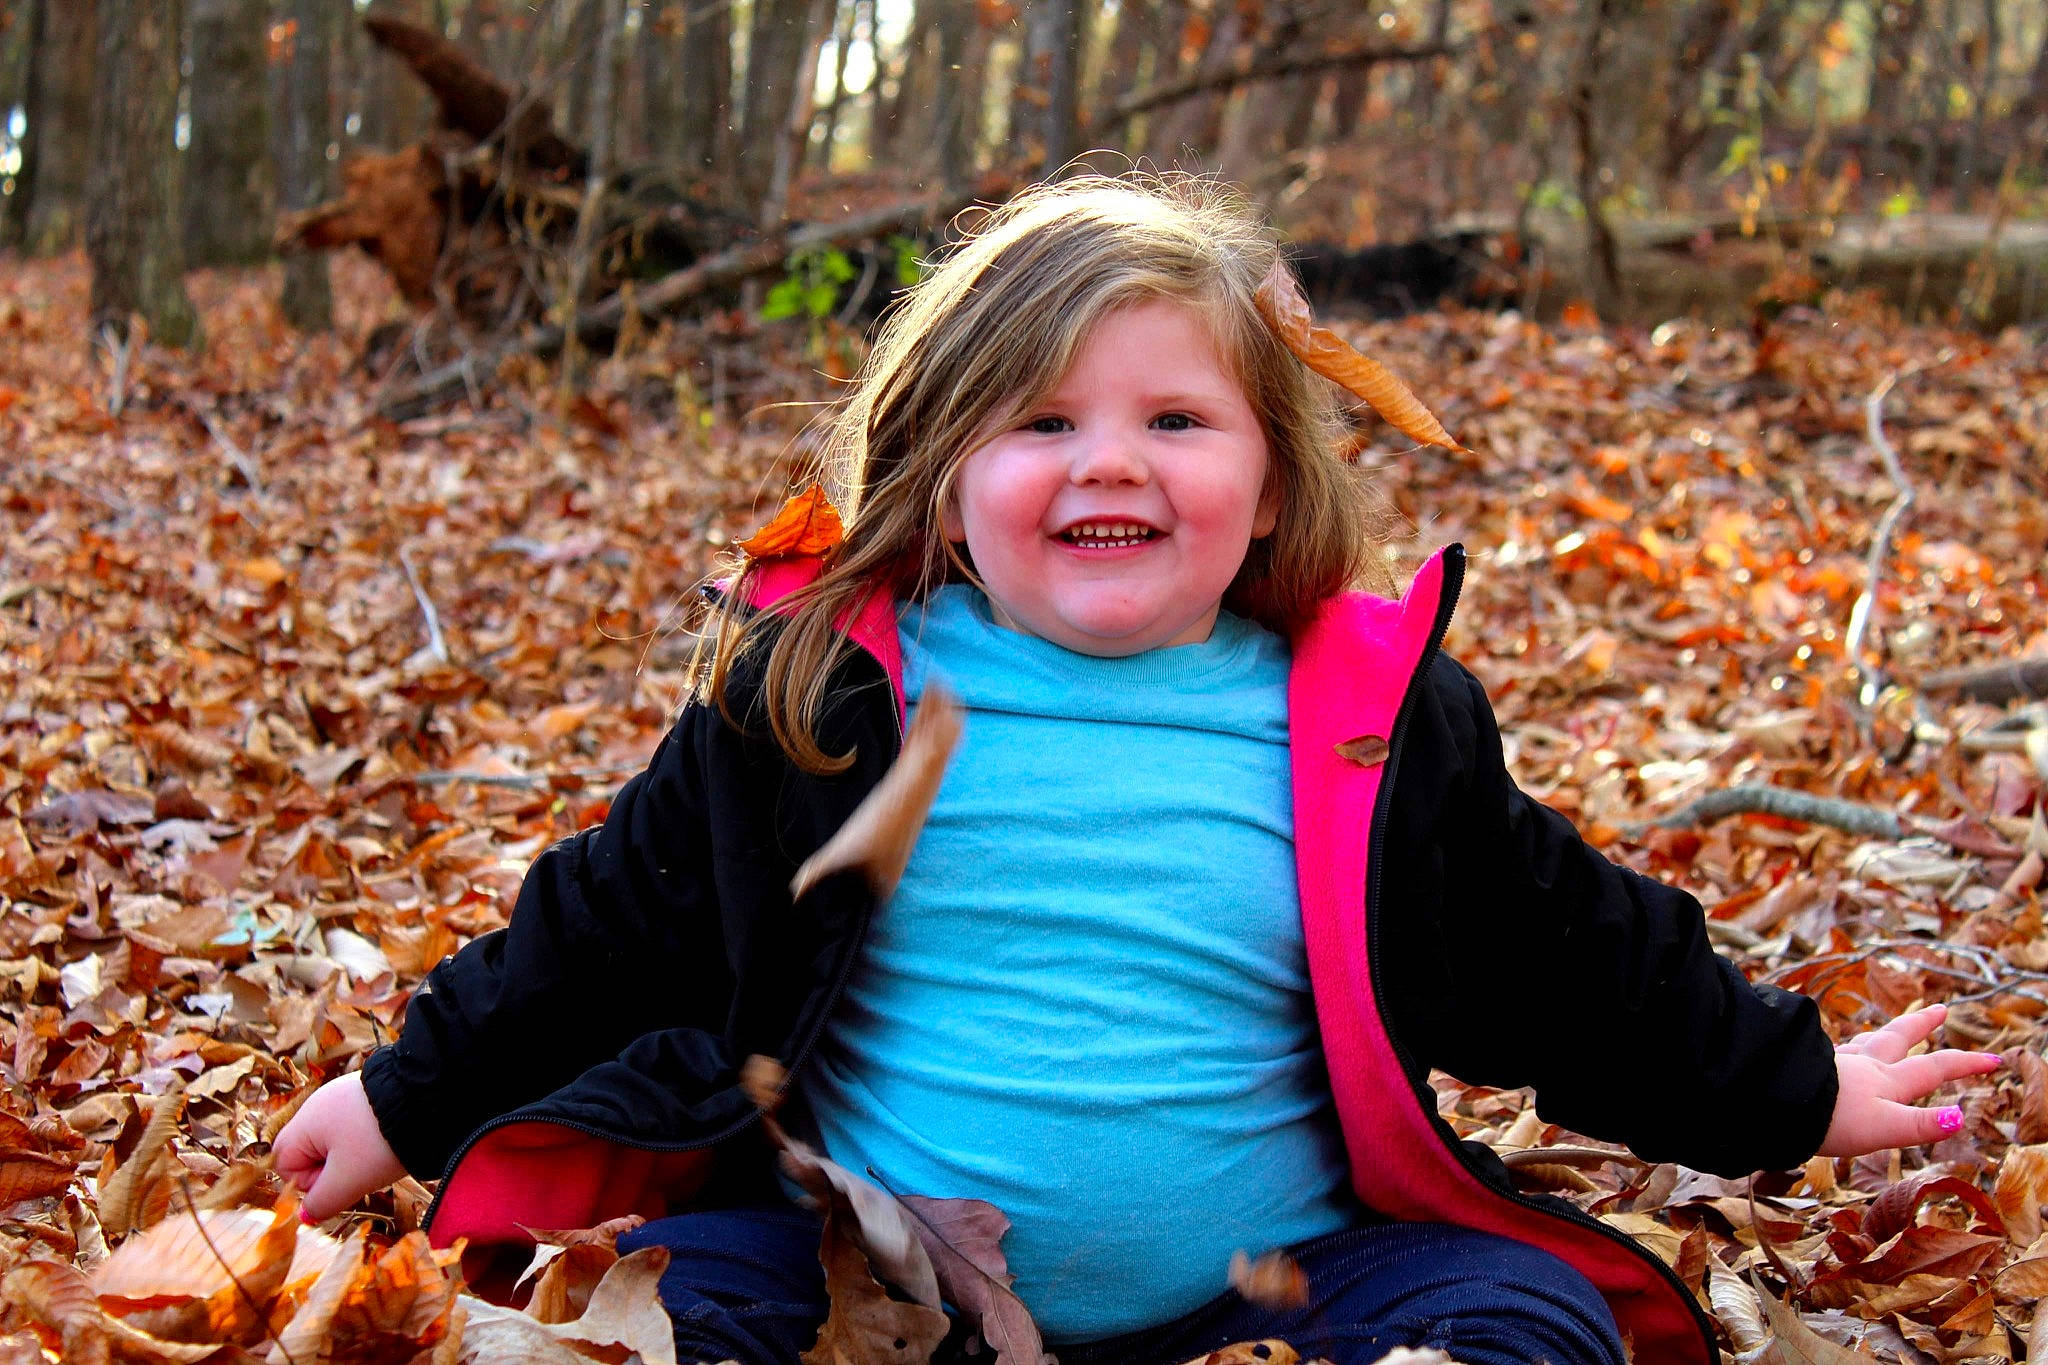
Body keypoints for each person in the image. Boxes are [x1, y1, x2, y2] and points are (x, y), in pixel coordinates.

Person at [274, 175, 1998, 1365]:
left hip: (1272, 1294)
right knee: (663, 1301)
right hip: (869, 1288)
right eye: (1041, 423)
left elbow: (1572, 952)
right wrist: (402, 1098)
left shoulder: (1363, 720)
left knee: (1520, 1324)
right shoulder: (821, 693)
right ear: (943, 475)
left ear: (1269, 475)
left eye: (1176, 420)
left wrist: (1796, 1088)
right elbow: (602, 924)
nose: (1111, 460)